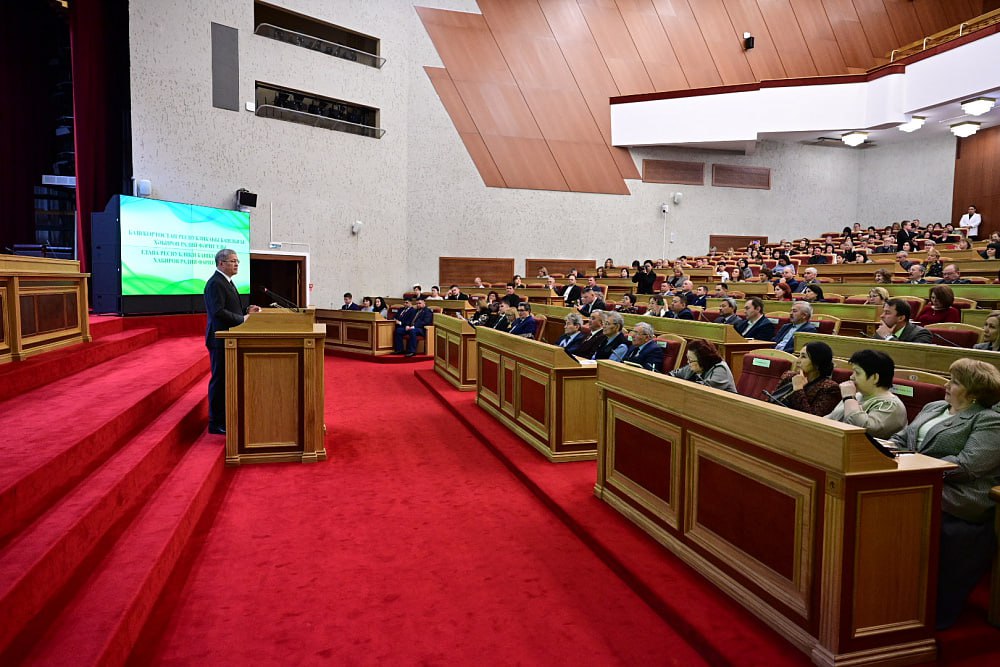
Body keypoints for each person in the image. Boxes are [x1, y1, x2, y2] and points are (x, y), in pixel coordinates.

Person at [888, 359, 1000, 629]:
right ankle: (892, 595)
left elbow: (968, 465)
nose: (946, 385)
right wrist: (886, 448)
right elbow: (902, 438)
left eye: (955, 382)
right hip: (920, 479)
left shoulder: (989, 420)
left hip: (960, 493)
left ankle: (920, 607)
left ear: (973, 393)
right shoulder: (934, 407)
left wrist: (915, 465)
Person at [204, 249, 261, 435]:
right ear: (221, 263)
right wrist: (243, 319)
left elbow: (230, 308)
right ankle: (216, 422)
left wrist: (247, 310)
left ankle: (225, 417)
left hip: (229, 338)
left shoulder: (227, 282)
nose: (236, 264)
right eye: (232, 261)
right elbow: (218, 312)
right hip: (220, 339)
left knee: (226, 380)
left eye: (237, 261)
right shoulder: (215, 283)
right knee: (219, 381)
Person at [824, 349, 907, 438]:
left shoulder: (892, 406)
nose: (851, 377)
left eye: (858, 373)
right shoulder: (858, 395)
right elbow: (831, 419)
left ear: (875, 378)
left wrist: (849, 398)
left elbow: (863, 430)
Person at [769, 342, 840, 416]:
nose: (798, 361)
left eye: (803, 357)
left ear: (817, 362)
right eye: (798, 356)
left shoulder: (829, 388)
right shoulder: (789, 376)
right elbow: (770, 401)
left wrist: (798, 389)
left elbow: (812, 419)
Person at [669, 340, 736, 392]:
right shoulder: (693, 366)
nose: (688, 362)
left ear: (702, 360)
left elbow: (703, 390)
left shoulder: (721, 369)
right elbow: (672, 375)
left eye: (690, 360)